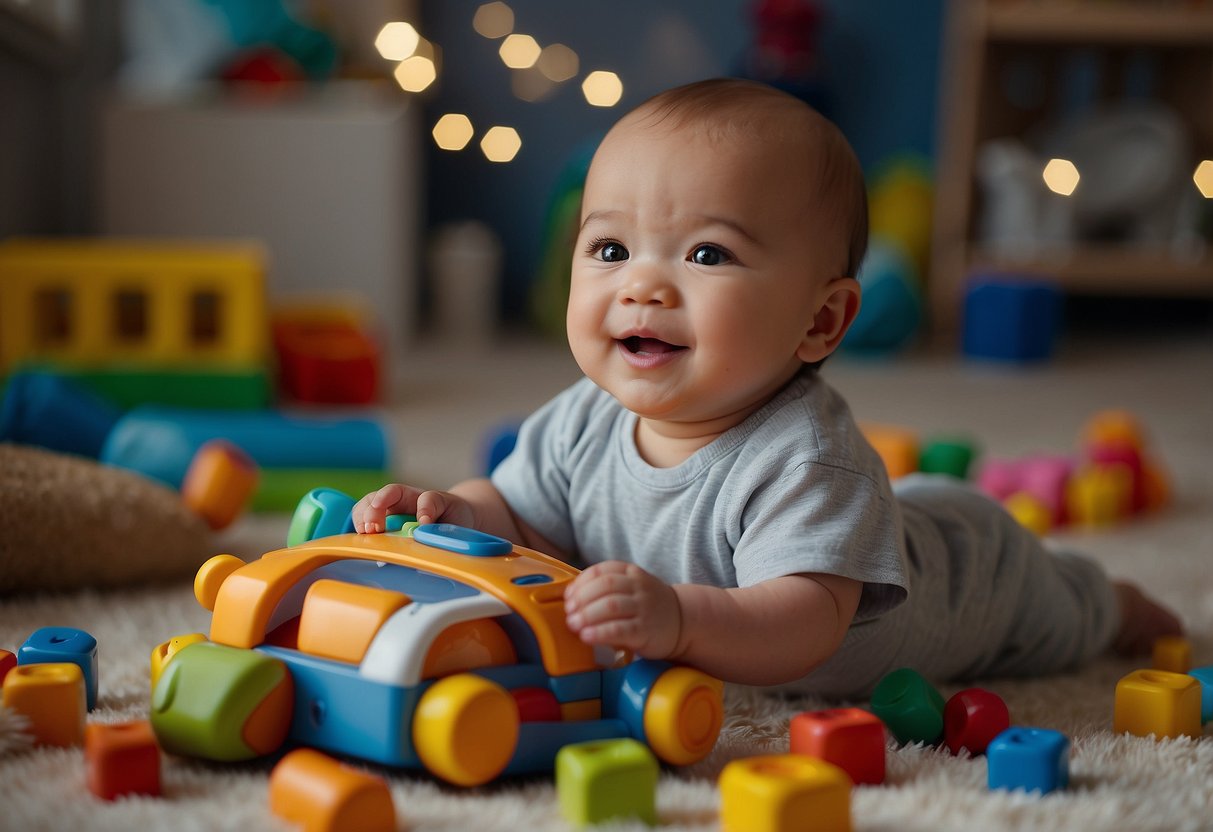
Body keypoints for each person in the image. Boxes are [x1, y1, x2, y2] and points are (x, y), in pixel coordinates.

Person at [353, 78, 1180, 697]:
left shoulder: (806, 459)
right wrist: (452, 515)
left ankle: (1113, 597)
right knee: (898, 510)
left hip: (975, 578)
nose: (641, 286)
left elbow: (799, 628)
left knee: (1067, 613)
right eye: (609, 250)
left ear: (820, 323)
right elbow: (521, 512)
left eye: (706, 254)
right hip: (891, 520)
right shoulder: (581, 418)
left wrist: (675, 619)